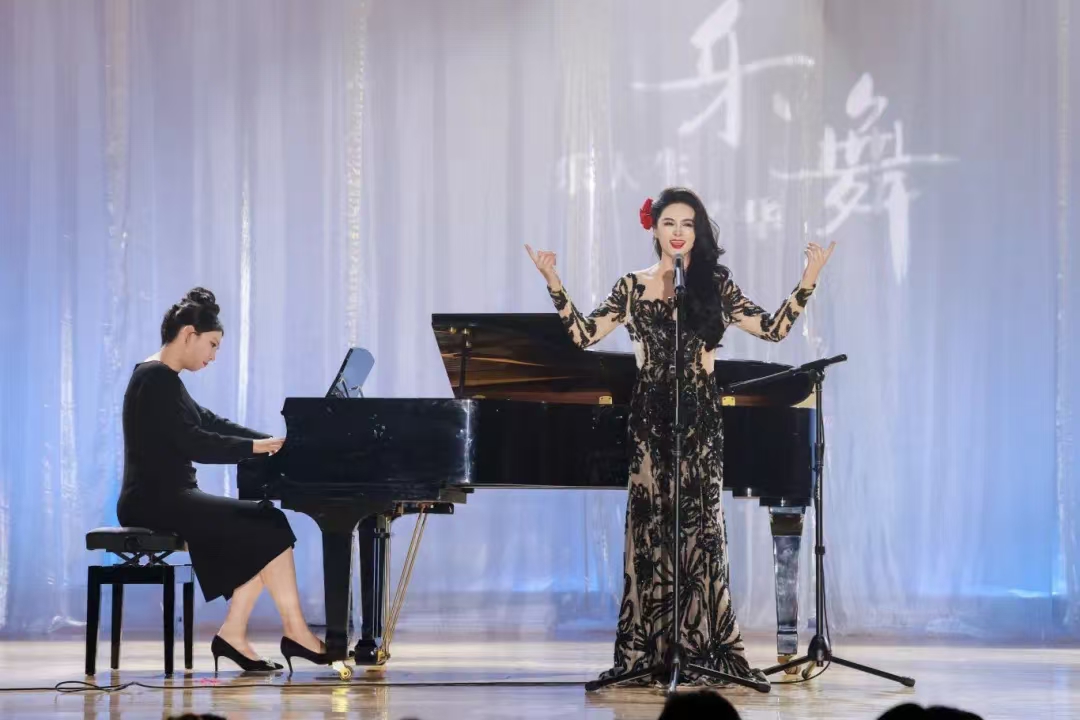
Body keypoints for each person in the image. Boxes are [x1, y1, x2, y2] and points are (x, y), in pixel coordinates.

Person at [526, 187, 834, 686]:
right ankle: (651, 651)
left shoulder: (714, 285)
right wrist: (554, 282)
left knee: (699, 532)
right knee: (651, 533)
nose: (677, 232)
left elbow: (773, 329)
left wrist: (809, 279)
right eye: (669, 222)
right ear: (654, 229)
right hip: (649, 423)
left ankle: (699, 647)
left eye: (687, 224)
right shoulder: (632, 286)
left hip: (700, 425)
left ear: (698, 231)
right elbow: (584, 335)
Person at [116, 288, 329, 673]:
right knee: (267, 522)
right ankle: (289, 632)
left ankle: (237, 634)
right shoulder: (154, 378)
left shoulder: (163, 378)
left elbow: (209, 421)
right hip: (154, 500)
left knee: (265, 525)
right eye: (212, 345)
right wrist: (255, 447)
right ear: (189, 334)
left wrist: (270, 441)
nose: (213, 356)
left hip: (167, 496)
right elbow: (194, 442)